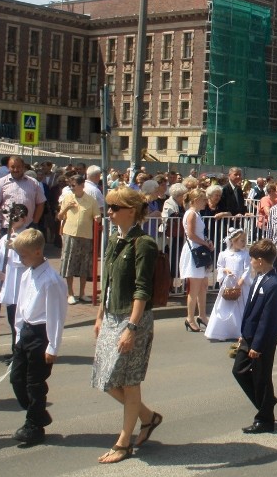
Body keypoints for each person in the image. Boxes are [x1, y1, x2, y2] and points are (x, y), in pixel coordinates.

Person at [91, 186, 162, 463]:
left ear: (131, 211)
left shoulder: (143, 243)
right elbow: (107, 280)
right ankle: (148, 417)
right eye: (108, 207)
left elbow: (142, 289)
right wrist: (99, 315)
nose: (109, 213)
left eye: (114, 208)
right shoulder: (113, 239)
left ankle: (124, 442)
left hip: (133, 319)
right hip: (111, 315)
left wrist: (131, 328)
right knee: (105, 379)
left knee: (129, 382)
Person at [8, 229, 67, 444]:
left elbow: (56, 315)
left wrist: (53, 346)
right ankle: (39, 413)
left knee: (35, 382)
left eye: (23, 255)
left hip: (41, 334)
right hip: (26, 332)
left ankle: (33, 424)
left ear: (37, 251)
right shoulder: (27, 274)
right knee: (17, 379)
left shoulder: (51, 281)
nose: (20, 259)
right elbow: (21, 308)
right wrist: (17, 335)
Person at [232, 239, 277, 434]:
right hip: (249, 336)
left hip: (262, 341)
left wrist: (258, 345)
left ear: (260, 260)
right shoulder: (259, 279)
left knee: (262, 378)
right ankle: (267, 402)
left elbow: (268, 319)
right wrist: (243, 334)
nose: (251, 262)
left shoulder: (273, 285)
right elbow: (250, 310)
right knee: (239, 370)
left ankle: (265, 419)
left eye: (252, 258)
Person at [57, 175, 101, 305]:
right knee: (69, 263)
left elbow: (96, 214)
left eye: (74, 185)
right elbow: (59, 217)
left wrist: (98, 218)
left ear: (82, 185)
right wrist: (66, 208)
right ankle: (70, 293)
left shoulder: (91, 200)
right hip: (70, 234)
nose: (72, 188)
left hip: (85, 235)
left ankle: (82, 293)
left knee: (84, 265)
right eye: (70, 186)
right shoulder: (68, 198)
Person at [0, 204, 30, 360]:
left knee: (20, 318)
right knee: (11, 317)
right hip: (9, 279)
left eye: (17, 217)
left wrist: (15, 248)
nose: (13, 220)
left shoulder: (28, 235)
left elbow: (28, 259)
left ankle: (21, 350)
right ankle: (15, 349)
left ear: (23, 218)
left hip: (21, 278)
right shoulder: (5, 237)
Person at [205, 228, 251, 341]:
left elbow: (247, 269)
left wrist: (242, 280)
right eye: (241, 240)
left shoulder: (245, 255)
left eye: (244, 240)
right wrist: (225, 270)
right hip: (229, 283)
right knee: (226, 306)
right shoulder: (224, 254)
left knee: (241, 306)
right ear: (233, 241)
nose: (244, 243)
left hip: (240, 284)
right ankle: (223, 331)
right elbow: (219, 266)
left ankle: (239, 331)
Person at [179, 188, 214, 332]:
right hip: (195, 250)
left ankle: (202, 315)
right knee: (194, 288)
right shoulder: (191, 214)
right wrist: (205, 243)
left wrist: (206, 241)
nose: (205, 202)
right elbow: (191, 235)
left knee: (202, 286)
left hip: (199, 248)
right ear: (195, 200)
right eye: (203, 199)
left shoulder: (197, 214)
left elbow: (196, 234)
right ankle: (190, 318)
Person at [0, 156, 46, 240]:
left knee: (25, 253)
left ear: (23, 167)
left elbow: (41, 203)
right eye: (13, 167)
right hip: (7, 227)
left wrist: (35, 222)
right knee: (7, 252)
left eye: (18, 167)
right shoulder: (1, 182)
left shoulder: (33, 183)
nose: (16, 170)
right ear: (8, 167)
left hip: (27, 227)